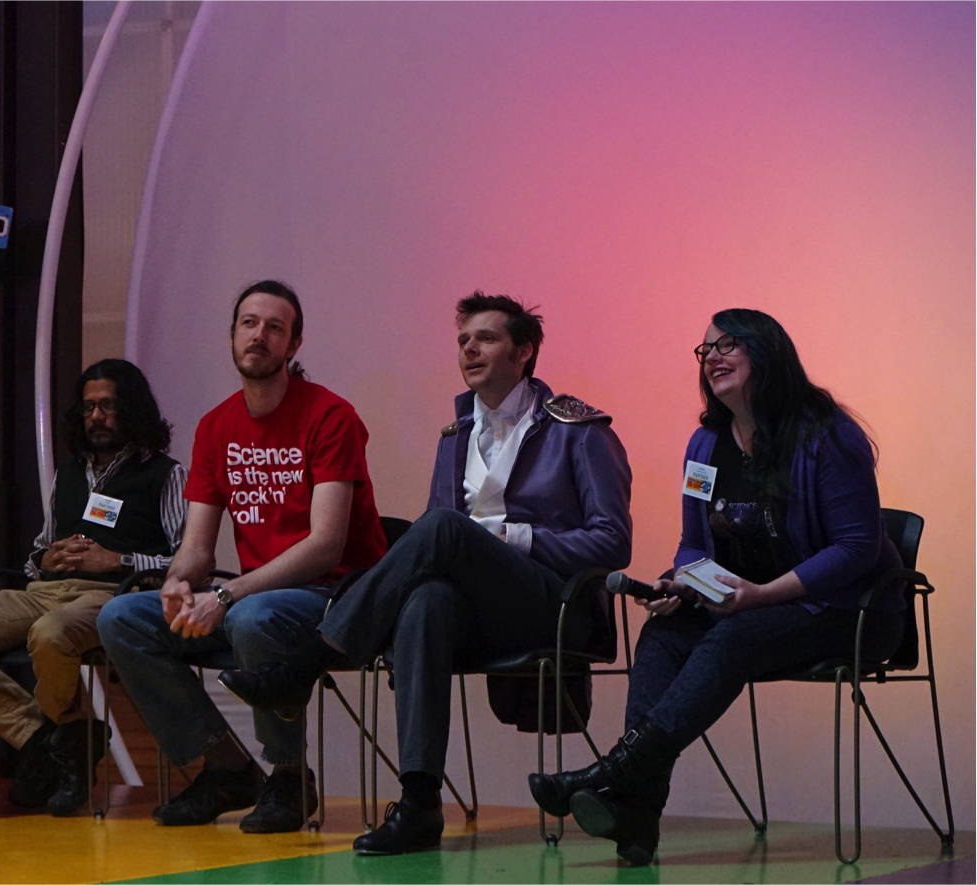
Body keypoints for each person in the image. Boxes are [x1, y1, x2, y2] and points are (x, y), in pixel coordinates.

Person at [219, 292, 634, 855]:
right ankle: (419, 804)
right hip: (480, 610)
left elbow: (614, 541)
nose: (469, 349)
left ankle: (307, 662)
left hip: (555, 605)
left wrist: (510, 537)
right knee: (426, 602)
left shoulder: (579, 430)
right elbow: (437, 554)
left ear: (525, 352)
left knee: (440, 528)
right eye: (463, 340)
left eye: (485, 338)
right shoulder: (454, 437)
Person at [529, 308, 906, 866]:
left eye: (729, 344)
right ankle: (637, 813)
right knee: (663, 633)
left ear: (768, 352)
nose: (712, 357)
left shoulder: (829, 435)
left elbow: (856, 549)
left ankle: (614, 773)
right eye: (705, 349)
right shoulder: (704, 446)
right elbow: (693, 543)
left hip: (852, 612)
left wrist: (758, 596)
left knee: (733, 638)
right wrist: (683, 582)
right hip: (757, 613)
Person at [97, 280, 387, 834]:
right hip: (255, 593)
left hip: (338, 596)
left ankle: (288, 776)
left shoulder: (331, 416)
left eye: (275, 327)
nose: (260, 335)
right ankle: (226, 767)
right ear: (232, 336)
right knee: (119, 619)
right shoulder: (215, 426)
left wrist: (227, 595)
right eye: (249, 323)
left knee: (256, 618)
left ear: (293, 346)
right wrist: (179, 583)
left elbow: (326, 544)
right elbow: (198, 548)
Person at [0, 359, 186, 816]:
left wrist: (118, 560)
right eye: (88, 407)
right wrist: (45, 559)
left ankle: (61, 739)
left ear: (132, 409)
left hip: (113, 598)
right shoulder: (69, 474)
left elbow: (185, 561)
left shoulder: (165, 473)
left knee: (50, 634)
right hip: (44, 591)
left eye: (108, 406)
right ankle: (52, 735)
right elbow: (38, 551)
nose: (96, 416)